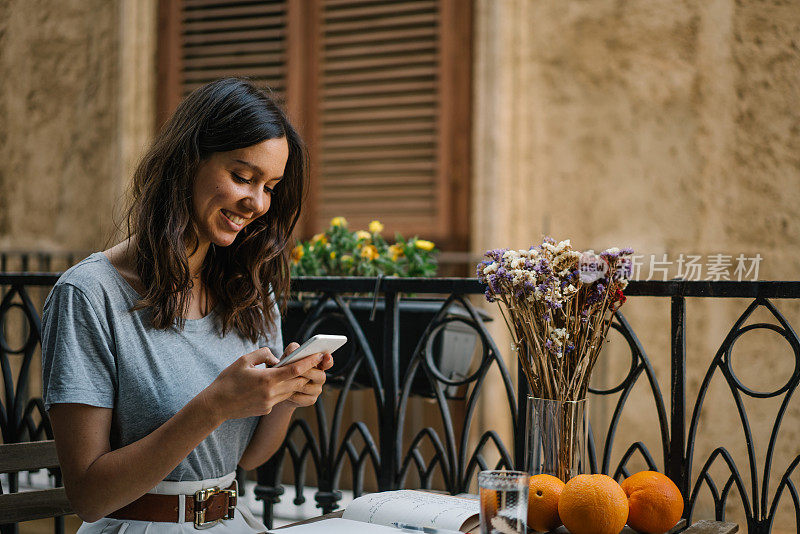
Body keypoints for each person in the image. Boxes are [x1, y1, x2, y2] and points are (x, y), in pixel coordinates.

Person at [41, 78, 333, 533]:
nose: (257, 203)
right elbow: (89, 496)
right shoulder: (89, 294)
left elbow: (248, 455)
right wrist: (213, 405)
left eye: (270, 186)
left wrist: (287, 398)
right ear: (187, 162)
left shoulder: (250, 291)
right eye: (242, 177)